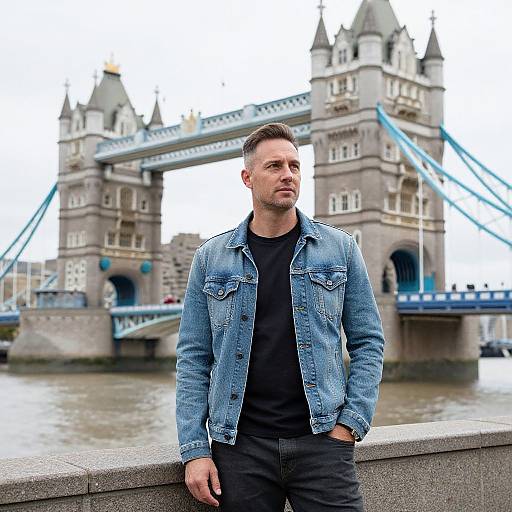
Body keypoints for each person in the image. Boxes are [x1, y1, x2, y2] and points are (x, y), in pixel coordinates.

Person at [176, 122, 385, 511]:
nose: (287, 174)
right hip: (239, 448)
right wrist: (194, 449)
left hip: (323, 442)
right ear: (247, 177)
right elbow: (193, 358)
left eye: (294, 165)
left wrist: (350, 425)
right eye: (274, 166)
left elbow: (368, 342)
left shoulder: (340, 249)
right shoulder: (211, 258)